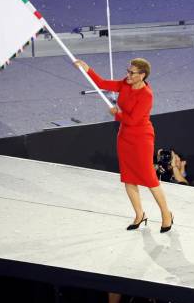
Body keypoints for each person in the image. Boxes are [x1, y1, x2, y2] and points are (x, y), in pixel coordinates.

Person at [74, 58, 173, 233]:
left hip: (141, 138)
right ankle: (139, 214)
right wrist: (87, 68)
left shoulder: (146, 95)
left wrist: (116, 113)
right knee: (128, 177)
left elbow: (134, 120)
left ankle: (166, 215)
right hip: (124, 137)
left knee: (150, 179)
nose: (127, 74)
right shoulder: (125, 84)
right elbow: (102, 83)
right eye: (128, 70)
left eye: (132, 72)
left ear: (142, 75)